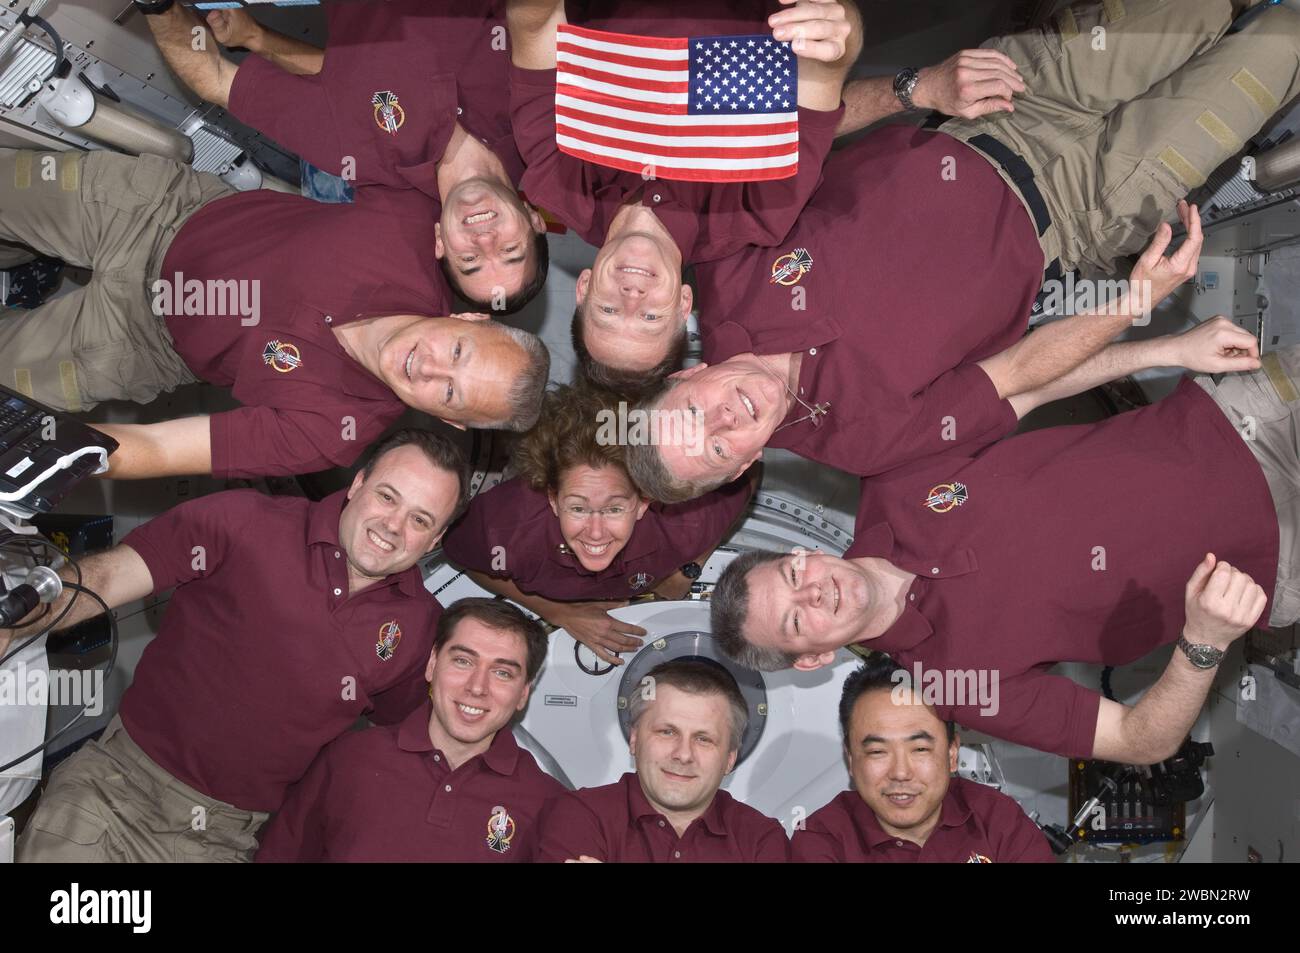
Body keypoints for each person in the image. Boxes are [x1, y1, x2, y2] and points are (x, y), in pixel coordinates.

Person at [626, 0, 1300, 501]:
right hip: (1087, 212)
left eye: (693, 412)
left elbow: (797, 128)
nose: (724, 419)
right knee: (1283, 43)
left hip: (998, 103)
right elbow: (1020, 377)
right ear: (742, 467)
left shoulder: (722, 272)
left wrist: (915, 87)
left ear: (683, 377)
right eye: (717, 448)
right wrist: (1132, 307)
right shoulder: (862, 442)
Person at [707, 334, 1296, 763]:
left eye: (790, 574)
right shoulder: (958, 686)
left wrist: (1169, 349)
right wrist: (1203, 644)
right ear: (812, 658)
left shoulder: (892, 475)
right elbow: (1140, 741)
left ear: (798, 554)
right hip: (1276, 564)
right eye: (794, 618)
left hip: (1240, 418)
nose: (813, 590)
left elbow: (1029, 380)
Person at [8, 430, 468, 861]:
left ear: (436, 539)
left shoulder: (419, 628)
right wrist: (12, 626)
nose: (392, 526)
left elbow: (409, 743)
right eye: (388, 496)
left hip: (223, 837)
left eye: (420, 519)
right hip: (114, 790)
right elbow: (106, 579)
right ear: (358, 483)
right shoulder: (246, 521)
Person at [0, 144, 549, 480]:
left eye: (449, 391)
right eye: (457, 352)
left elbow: (160, 447)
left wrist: (38, 459)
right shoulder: (417, 233)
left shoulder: (334, 432)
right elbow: (433, 128)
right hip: (158, 212)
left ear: (447, 419)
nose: (428, 368)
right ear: (468, 320)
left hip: (137, 344)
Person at [506, 0, 861, 391]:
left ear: (584, 287)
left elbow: (535, 26)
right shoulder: (759, 211)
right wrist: (834, 24)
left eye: (608, 311)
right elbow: (829, 66)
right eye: (650, 318)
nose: (632, 297)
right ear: (684, 305)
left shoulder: (552, 180)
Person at [142, 0, 549, 312]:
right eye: (509, 250)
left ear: (441, 242)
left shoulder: (360, 154)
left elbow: (216, 78)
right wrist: (258, 39)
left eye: (470, 259)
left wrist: (157, 6)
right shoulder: (547, 123)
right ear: (534, 220)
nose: (484, 239)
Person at [442, 384, 755, 665]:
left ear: (643, 502)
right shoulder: (505, 528)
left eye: (614, 508)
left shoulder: (683, 524)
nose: (594, 532)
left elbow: (748, 476)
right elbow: (463, 556)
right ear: (553, 499)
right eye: (578, 507)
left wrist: (689, 567)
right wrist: (557, 612)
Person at [256, 599, 563, 862]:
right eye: (462, 660)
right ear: (432, 664)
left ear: (524, 692)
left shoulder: (547, 804)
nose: (477, 687)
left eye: (501, 672)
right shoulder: (350, 757)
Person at [792, 656, 1055, 862]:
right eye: (877, 752)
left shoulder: (997, 820)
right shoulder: (824, 839)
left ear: (952, 754)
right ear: (850, 760)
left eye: (919, 749)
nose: (901, 773)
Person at [536, 659, 789, 861]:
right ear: (634, 740)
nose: (683, 754)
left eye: (703, 739)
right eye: (667, 732)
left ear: (730, 759)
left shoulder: (761, 839)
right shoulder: (579, 816)